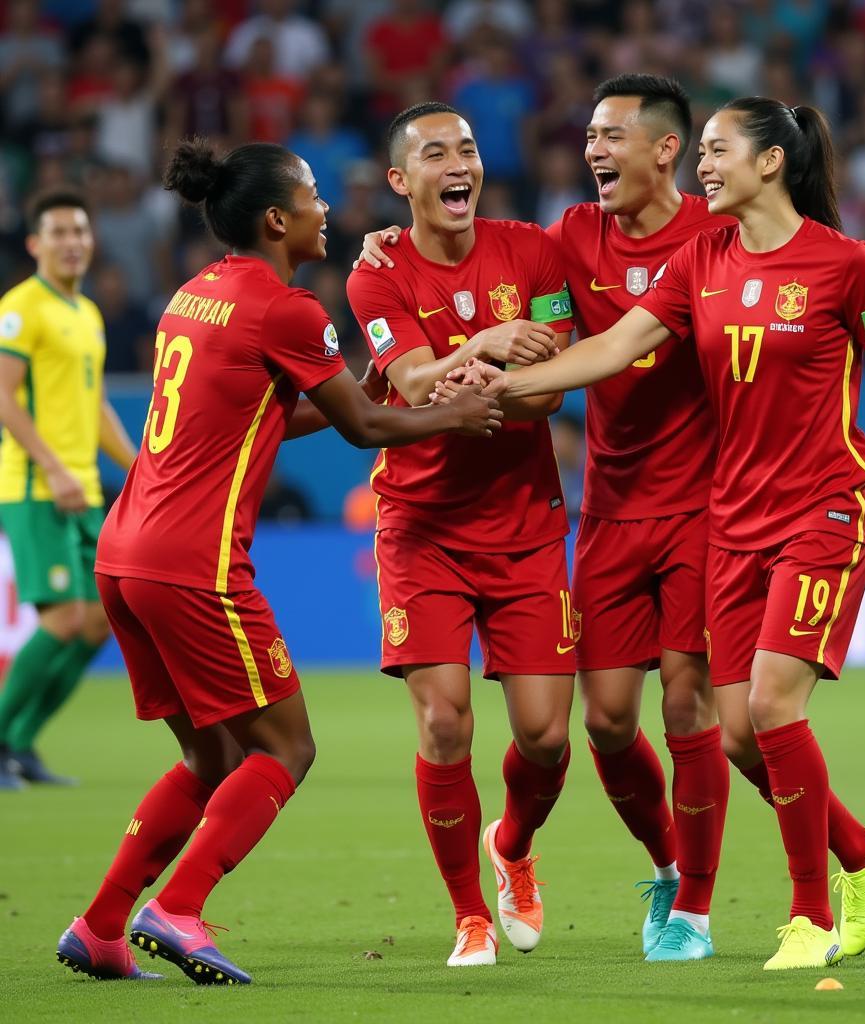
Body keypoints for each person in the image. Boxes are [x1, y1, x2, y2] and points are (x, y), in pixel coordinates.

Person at [361, 74, 865, 963]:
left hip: (721, 506)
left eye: (610, 134)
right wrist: (464, 335)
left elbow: (828, 311)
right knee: (606, 723)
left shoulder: (736, 235)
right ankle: (836, 853)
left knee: (705, 708)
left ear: (665, 149)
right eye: (588, 134)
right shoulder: (584, 241)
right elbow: (599, 344)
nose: (591, 149)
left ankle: (702, 908)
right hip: (613, 511)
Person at [54, 138, 501, 984]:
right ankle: (179, 907)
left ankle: (104, 924)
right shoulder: (287, 308)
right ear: (274, 219)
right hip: (196, 563)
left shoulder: (195, 295)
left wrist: (364, 393)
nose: (325, 208)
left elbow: (266, 416)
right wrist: (457, 412)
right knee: (286, 748)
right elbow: (367, 430)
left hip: (128, 552)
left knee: (210, 758)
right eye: (312, 196)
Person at [345, 101, 576, 968]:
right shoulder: (376, 273)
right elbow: (404, 384)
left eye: (470, 149)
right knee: (444, 723)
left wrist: (487, 383)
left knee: (547, 738)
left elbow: (554, 389)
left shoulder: (535, 250)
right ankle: (469, 916)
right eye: (436, 152)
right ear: (402, 181)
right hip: (423, 524)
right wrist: (483, 347)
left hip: (523, 521)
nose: (460, 164)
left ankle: (511, 844)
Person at [0, 188, 136, 791]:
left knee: (96, 624)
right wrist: (52, 468)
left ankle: (21, 744)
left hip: (83, 490)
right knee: (60, 621)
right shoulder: (21, 308)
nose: (71, 242)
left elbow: (95, 401)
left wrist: (137, 463)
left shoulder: (87, 313)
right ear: (35, 244)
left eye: (79, 231)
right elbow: (3, 395)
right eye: (57, 232)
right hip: (35, 486)